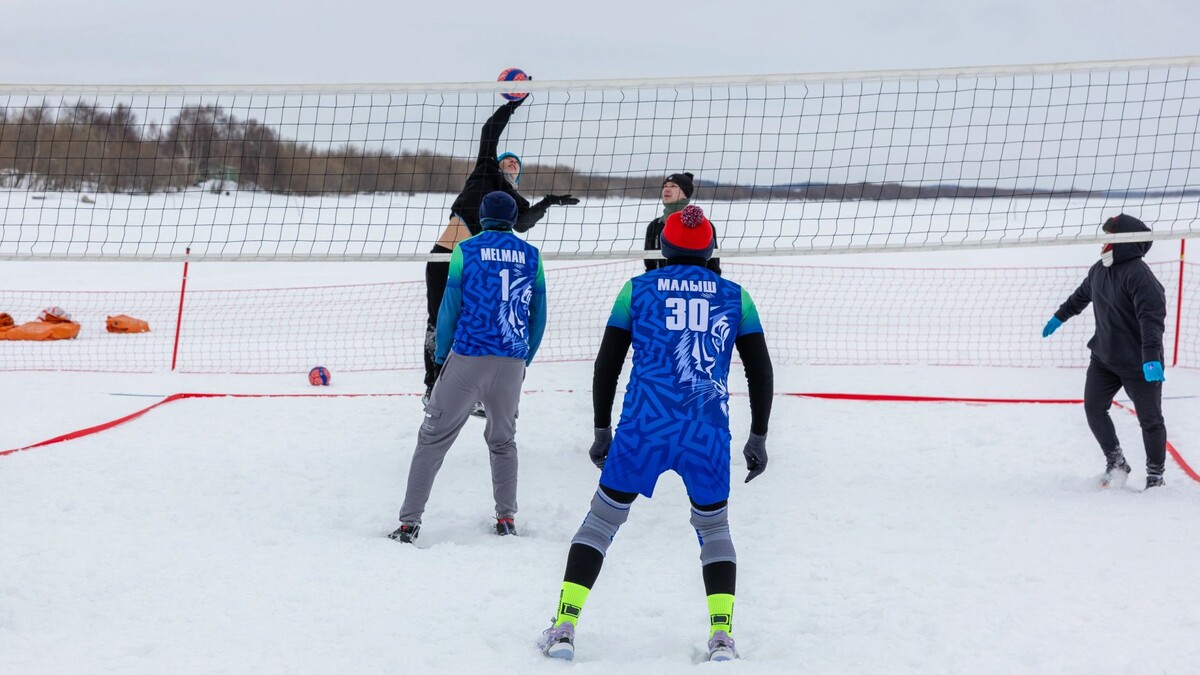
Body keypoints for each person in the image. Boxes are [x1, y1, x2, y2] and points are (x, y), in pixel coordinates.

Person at [538, 205, 773, 662]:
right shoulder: (735, 296)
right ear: (710, 248)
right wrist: (758, 435)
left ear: (662, 246)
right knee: (715, 528)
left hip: (644, 427)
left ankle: (564, 626)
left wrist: (601, 428)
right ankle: (722, 636)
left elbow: (607, 364)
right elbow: (760, 371)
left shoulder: (637, 290)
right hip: (705, 431)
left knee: (601, 523)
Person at [391, 191, 547, 543]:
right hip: (510, 361)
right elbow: (539, 317)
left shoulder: (466, 250)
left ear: (482, 216)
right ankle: (506, 519)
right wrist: (523, 360)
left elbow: (450, 308)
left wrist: (442, 357)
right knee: (503, 441)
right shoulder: (532, 256)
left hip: (468, 358)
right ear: (510, 219)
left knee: (432, 439)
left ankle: (408, 524)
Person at [423, 95, 578, 413]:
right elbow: (488, 131)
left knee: (475, 326)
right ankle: (432, 387)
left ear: (519, 175)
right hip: (444, 257)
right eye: (507, 160)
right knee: (437, 324)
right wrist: (513, 104)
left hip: (475, 267)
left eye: (516, 163)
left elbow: (523, 224)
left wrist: (547, 203)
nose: (511, 162)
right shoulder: (484, 169)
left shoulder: (513, 201)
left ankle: (477, 394)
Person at [1041, 213, 1168, 490]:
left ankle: (1155, 476)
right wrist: (1059, 317)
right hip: (1104, 358)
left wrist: (1150, 358)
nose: (1103, 242)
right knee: (1094, 408)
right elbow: (1080, 297)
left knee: (1151, 420)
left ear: (1124, 241)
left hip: (1139, 363)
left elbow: (1152, 320)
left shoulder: (1140, 276)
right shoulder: (1099, 269)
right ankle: (1116, 462)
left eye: (1110, 236)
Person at [643, 172, 721, 274]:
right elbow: (649, 266)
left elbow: (713, 267)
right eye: (665, 186)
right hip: (661, 286)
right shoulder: (654, 226)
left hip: (696, 285)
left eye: (673, 186)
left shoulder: (702, 225)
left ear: (685, 194)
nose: (667, 189)